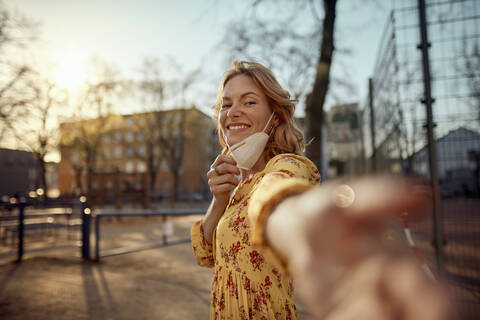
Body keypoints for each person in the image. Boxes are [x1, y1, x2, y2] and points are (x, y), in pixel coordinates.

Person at [191, 61, 450, 320]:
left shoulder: (288, 165)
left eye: (248, 102)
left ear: (276, 116)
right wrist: (219, 201)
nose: (232, 112)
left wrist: (299, 222)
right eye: (226, 104)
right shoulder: (236, 186)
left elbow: (279, 199)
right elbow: (205, 255)